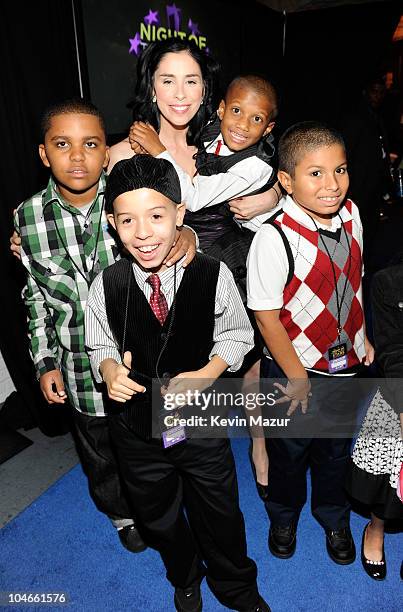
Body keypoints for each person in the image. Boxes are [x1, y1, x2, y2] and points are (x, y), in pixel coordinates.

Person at [85, 154, 271, 612]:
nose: (143, 232)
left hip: (201, 421)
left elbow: (238, 334)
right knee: (158, 515)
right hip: (136, 428)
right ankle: (184, 575)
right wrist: (109, 370)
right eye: (128, 220)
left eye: (156, 216)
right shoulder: (105, 284)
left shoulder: (212, 273)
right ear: (112, 223)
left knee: (221, 510)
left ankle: (236, 586)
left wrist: (209, 373)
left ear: (179, 215)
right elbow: (99, 345)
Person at [13, 98, 196, 554]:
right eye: (62, 144)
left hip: (143, 359)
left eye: (91, 143)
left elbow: (175, 234)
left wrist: (188, 236)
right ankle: (123, 515)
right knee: (100, 453)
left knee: (159, 441)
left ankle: (167, 508)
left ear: (106, 151)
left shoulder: (129, 202)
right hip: (78, 365)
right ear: (43, 154)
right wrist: (44, 361)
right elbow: (35, 296)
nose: (78, 157)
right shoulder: (27, 220)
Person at [246, 121, 375, 565]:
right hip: (292, 371)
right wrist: (297, 376)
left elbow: (353, 283)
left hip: (345, 364)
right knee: (289, 451)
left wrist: (362, 336)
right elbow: (265, 317)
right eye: (315, 173)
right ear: (286, 180)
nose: (332, 185)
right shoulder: (272, 236)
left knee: (335, 447)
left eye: (339, 170)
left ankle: (333, 515)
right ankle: (283, 514)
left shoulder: (354, 213)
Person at [130, 73, 281, 303]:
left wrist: (158, 150)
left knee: (226, 293)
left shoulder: (254, 166)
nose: (243, 124)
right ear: (222, 110)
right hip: (220, 224)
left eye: (257, 119)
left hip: (255, 239)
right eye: (237, 111)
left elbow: (195, 197)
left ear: (268, 129)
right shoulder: (213, 127)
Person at [346, 254, 403, 580]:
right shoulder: (388, 282)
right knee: (386, 479)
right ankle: (376, 529)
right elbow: (393, 353)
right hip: (399, 392)